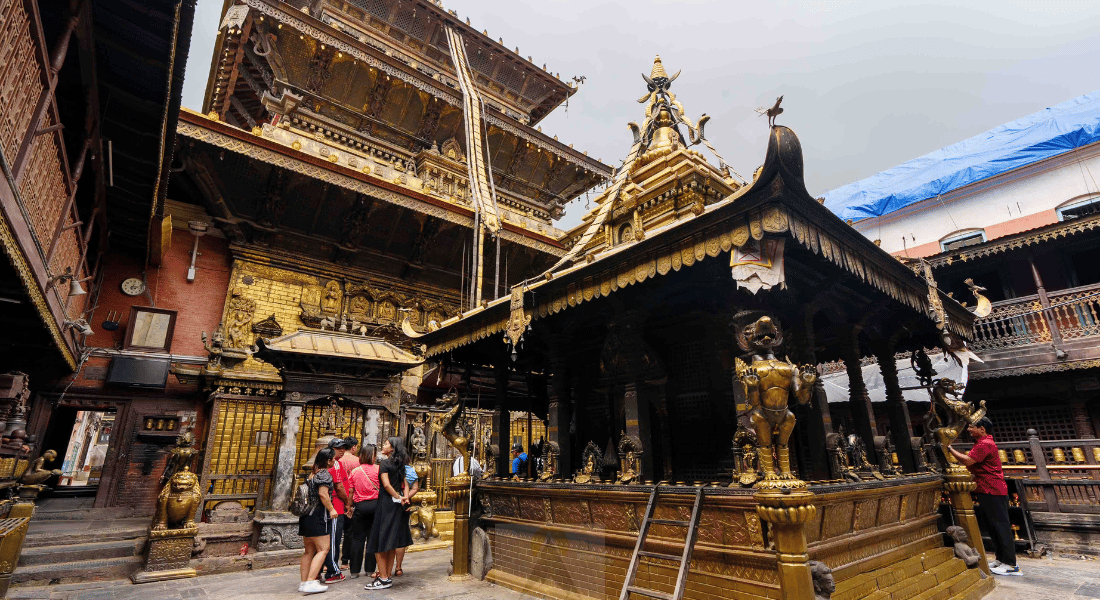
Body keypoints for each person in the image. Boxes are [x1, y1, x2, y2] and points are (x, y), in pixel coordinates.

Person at [948, 417, 1020, 576]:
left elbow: (968, 461)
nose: (969, 429)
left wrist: (949, 449)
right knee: (994, 526)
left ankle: (1011, 564)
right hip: (986, 488)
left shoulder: (985, 444)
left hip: (993, 489)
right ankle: (1001, 559)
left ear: (982, 429)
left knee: (1001, 526)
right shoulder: (981, 443)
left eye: (972, 426)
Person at [364, 437, 413, 590]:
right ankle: (387, 576)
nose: (383, 446)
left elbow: (385, 484)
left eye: (386, 444)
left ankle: (384, 577)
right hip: (397, 505)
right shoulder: (401, 465)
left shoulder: (384, 464)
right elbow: (406, 484)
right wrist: (404, 497)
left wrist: (397, 497)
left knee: (379, 540)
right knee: (391, 542)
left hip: (386, 503)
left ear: (392, 449)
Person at [298, 448, 339, 594]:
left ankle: (304, 582)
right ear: (328, 460)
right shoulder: (324, 474)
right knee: (323, 549)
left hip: (306, 515)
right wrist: (332, 509)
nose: (335, 461)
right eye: (333, 459)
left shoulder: (312, 473)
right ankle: (310, 581)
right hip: (318, 514)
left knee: (309, 551)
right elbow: (323, 494)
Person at [320, 438, 351, 583]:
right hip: (336, 507)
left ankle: (323, 567)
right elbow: (339, 488)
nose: (342, 450)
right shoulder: (335, 465)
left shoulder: (331, 464)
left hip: (330, 507)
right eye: (339, 448)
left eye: (344, 448)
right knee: (334, 540)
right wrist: (347, 503)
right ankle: (332, 570)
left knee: (327, 540)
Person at [347, 443, 379, 580]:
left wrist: (348, 506)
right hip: (375, 505)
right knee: (372, 538)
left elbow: (350, 491)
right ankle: (370, 569)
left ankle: (354, 570)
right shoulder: (379, 470)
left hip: (360, 506)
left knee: (357, 538)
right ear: (373, 456)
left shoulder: (355, 471)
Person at [393, 462, 419, 577]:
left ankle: (383, 568)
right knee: (401, 535)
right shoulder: (410, 470)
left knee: (388, 534)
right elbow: (415, 487)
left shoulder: (386, 467)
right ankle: (398, 567)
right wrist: (406, 497)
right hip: (404, 503)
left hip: (389, 503)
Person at [338, 436, 361, 569]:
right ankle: (345, 561)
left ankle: (328, 562)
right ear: (353, 447)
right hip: (352, 499)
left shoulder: (337, 460)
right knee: (350, 532)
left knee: (333, 532)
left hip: (337, 498)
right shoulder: (357, 461)